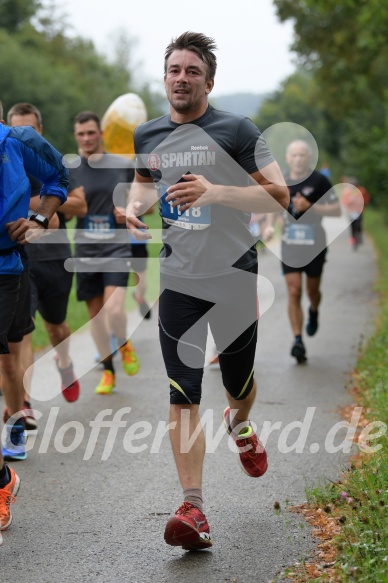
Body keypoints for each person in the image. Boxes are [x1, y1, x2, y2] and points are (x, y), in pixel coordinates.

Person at [126, 32, 289, 551]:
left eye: (192, 71)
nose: (181, 77)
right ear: (165, 77)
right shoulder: (147, 134)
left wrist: (216, 191)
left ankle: (239, 426)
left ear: (208, 81)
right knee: (181, 391)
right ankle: (193, 506)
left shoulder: (236, 129)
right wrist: (136, 206)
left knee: (238, 385)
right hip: (178, 278)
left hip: (235, 274)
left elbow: (279, 196)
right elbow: (145, 180)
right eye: (174, 69)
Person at [5, 103, 87, 415]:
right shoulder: (6, 164)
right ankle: (22, 404)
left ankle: (64, 361)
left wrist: (36, 203)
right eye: (16, 129)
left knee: (56, 328)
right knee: (23, 331)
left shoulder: (53, 163)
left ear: (39, 131)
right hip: (19, 259)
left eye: (28, 129)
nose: (22, 135)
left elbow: (78, 206)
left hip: (54, 255)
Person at [0, 99, 68, 462]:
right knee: (13, 353)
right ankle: (17, 415)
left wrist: (37, 219)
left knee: (20, 348)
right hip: (20, 264)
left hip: (16, 264)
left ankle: (12, 427)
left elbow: (61, 183)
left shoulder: (17, 146)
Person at [70, 111, 140, 395]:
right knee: (96, 318)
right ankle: (109, 371)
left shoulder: (121, 166)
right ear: (76, 137)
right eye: (81, 134)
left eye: (91, 133)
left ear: (101, 134)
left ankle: (124, 342)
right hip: (85, 248)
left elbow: (141, 201)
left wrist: (129, 211)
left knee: (113, 310)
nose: (87, 138)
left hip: (116, 246)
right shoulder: (71, 170)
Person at [263, 140, 341, 364]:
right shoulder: (281, 181)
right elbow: (273, 207)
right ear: (288, 158)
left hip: (315, 243)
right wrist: (269, 226)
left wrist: (312, 207)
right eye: (294, 155)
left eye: (302, 155)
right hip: (289, 245)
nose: (298, 159)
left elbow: (336, 210)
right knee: (295, 291)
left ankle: (314, 309)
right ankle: (297, 340)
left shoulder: (319, 180)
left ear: (308, 158)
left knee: (312, 290)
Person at [340, 177, 370, 250]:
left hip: (359, 211)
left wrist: (364, 203)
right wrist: (349, 202)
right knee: (352, 226)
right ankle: (353, 239)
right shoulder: (348, 192)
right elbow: (344, 200)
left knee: (358, 225)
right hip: (351, 212)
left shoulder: (362, 190)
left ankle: (359, 236)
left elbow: (366, 198)